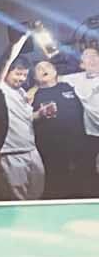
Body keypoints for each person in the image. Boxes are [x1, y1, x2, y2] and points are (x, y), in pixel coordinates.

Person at [0, 34, 45, 201]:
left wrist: (40, 113)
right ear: (6, 72)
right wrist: (17, 41)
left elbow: (26, 118)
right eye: (18, 74)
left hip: (31, 150)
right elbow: (4, 61)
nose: (21, 79)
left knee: (36, 196)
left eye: (24, 75)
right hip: (8, 154)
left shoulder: (21, 91)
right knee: (17, 201)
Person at [28, 58, 87, 200]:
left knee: (83, 187)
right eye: (39, 69)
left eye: (47, 66)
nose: (43, 70)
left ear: (55, 72)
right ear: (35, 77)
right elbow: (24, 118)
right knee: (57, 189)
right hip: (50, 151)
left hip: (78, 147)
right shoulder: (31, 95)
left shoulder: (67, 86)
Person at [58, 45, 99, 198]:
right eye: (87, 57)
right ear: (82, 65)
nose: (92, 59)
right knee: (88, 172)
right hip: (91, 134)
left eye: (95, 55)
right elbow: (53, 78)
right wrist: (33, 90)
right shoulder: (77, 78)